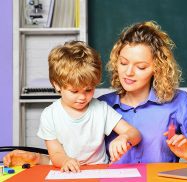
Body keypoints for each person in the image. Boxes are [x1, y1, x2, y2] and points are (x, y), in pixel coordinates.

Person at [3, 21, 187, 166]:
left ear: (158, 68)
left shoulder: (178, 102)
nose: (128, 72)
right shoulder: (99, 105)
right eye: (123, 62)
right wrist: (36, 158)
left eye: (141, 67)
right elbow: (78, 158)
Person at [4, 41, 141, 172]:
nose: (82, 97)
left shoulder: (101, 109)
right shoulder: (50, 115)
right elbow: (56, 153)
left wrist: (125, 137)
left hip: (98, 171)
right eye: (74, 91)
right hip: (65, 171)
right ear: (57, 84)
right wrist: (65, 161)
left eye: (88, 90)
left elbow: (135, 134)